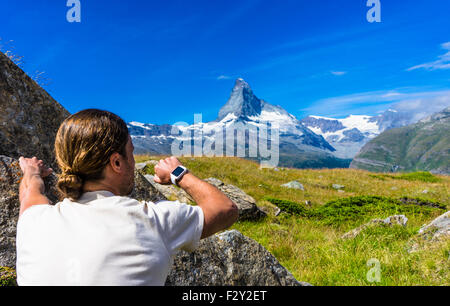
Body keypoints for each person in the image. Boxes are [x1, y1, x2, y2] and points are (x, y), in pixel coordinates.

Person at [16, 109, 239, 286]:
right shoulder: (152, 220)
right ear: (117, 162)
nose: (133, 161)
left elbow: (30, 192)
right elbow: (225, 208)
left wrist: (31, 170)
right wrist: (178, 172)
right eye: (131, 153)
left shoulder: (33, 221)